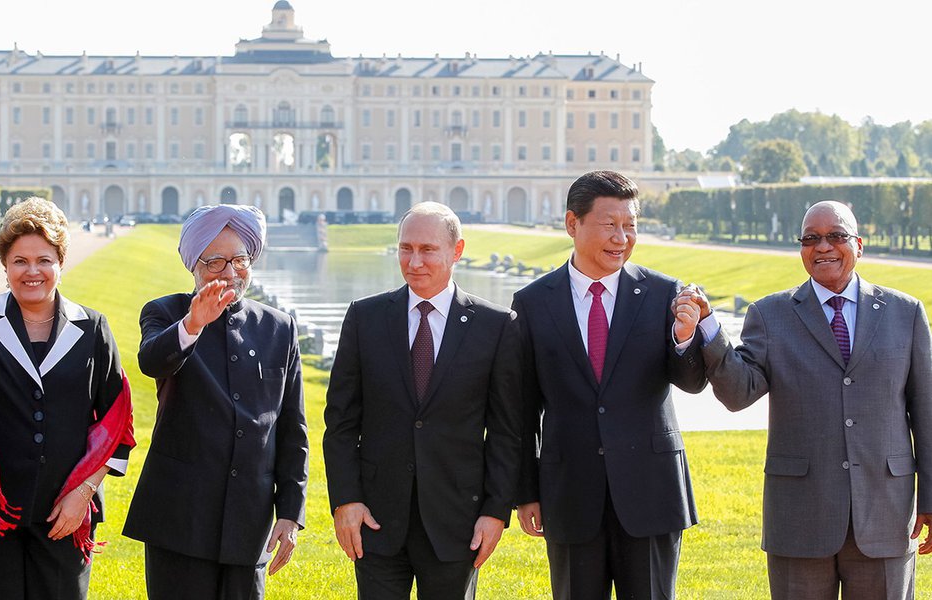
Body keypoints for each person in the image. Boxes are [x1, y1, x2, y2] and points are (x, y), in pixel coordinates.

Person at [677, 200, 932, 599]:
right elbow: (739, 392)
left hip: (885, 513)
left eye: (836, 236)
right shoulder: (770, 314)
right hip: (800, 518)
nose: (823, 246)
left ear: (859, 245)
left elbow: (927, 412)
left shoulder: (906, 313)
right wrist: (708, 328)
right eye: (811, 238)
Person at [0, 198, 135, 600]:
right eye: (19, 261)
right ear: (5, 265)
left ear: (60, 263)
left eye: (44, 260)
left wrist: (82, 493)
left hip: (64, 511)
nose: (32, 271)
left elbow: (117, 425)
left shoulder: (93, 328)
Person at [512, 170, 708, 599]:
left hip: (651, 492)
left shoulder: (663, 294)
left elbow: (692, 382)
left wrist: (685, 338)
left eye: (630, 225)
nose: (622, 237)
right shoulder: (532, 303)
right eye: (609, 224)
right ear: (572, 224)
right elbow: (522, 410)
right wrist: (526, 491)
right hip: (570, 495)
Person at [323, 201, 522, 599]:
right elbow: (341, 421)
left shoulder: (496, 326)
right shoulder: (365, 317)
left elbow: (507, 431)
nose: (414, 261)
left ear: (457, 251)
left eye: (428, 250)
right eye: (405, 248)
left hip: (458, 522)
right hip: (375, 520)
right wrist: (346, 500)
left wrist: (495, 511)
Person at [123, 204, 308, 600]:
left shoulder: (278, 327)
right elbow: (152, 361)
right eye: (216, 261)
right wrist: (193, 324)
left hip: (249, 518)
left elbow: (293, 428)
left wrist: (290, 513)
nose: (229, 271)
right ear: (194, 265)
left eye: (239, 259)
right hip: (180, 517)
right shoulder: (166, 312)